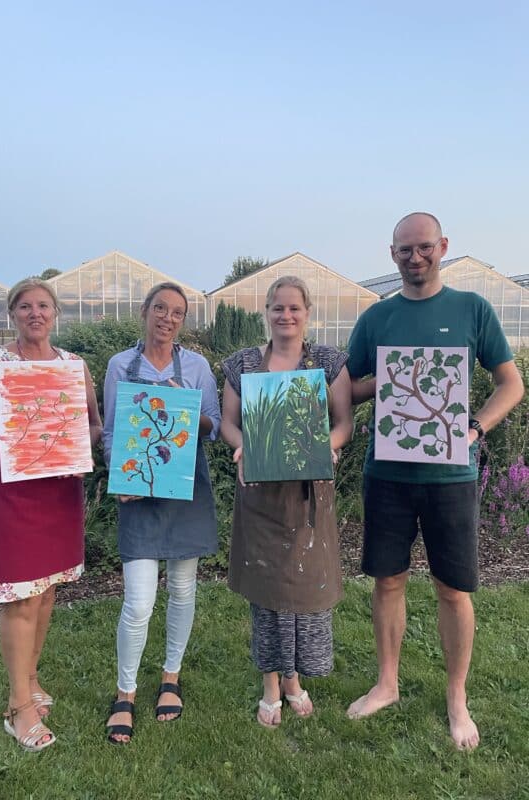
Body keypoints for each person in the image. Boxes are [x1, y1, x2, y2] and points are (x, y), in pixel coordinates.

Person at [346, 212, 525, 750]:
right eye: (404, 250)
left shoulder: (472, 309)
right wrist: (389, 379)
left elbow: (511, 384)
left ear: (442, 246)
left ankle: (456, 697)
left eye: (423, 246)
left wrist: (475, 427)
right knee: (388, 581)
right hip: (387, 474)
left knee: (453, 588)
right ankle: (387, 683)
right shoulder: (377, 318)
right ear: (392, 254)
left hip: (451, 476)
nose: (414, 257)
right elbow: (347, 387)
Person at [0, 278, 102, 752]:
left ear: (55, 313)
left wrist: (78, 447)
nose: (34, 313)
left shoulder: (74, 366)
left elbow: (94, 425)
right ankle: (19, 707)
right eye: (24, 306)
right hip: (11, 497)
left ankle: (31, 679)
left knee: (45, 593)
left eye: (42, 305)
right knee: (20, 597)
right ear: (12, 315)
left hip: (57, 496)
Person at [220, 275, 353, 728]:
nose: (286, 315)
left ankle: (293, 678)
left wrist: (327, 446)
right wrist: (244, 446)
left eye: (294, 307)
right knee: (267, 591)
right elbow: (228, 423)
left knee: (302, 587)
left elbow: (344, 423)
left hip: (308, 496)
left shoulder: (329, 363)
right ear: (266, 312)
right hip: (260, 495)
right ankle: (270, 684)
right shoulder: (243, 364)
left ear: (307, 312)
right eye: (278, 307)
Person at [103, 281, 220, 744]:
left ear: (183, 321)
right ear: (144, 311)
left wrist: (183, 407)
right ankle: (125, 692)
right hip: (139, 491)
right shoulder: (120, 365)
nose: (167, 318)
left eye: (176, 312)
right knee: (138, 602)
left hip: (185, 490)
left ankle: (171, 676)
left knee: (183, 589)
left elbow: (213, 426)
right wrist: (120, 478)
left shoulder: (197, 367)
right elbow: (111, 431)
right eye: (160, 308)